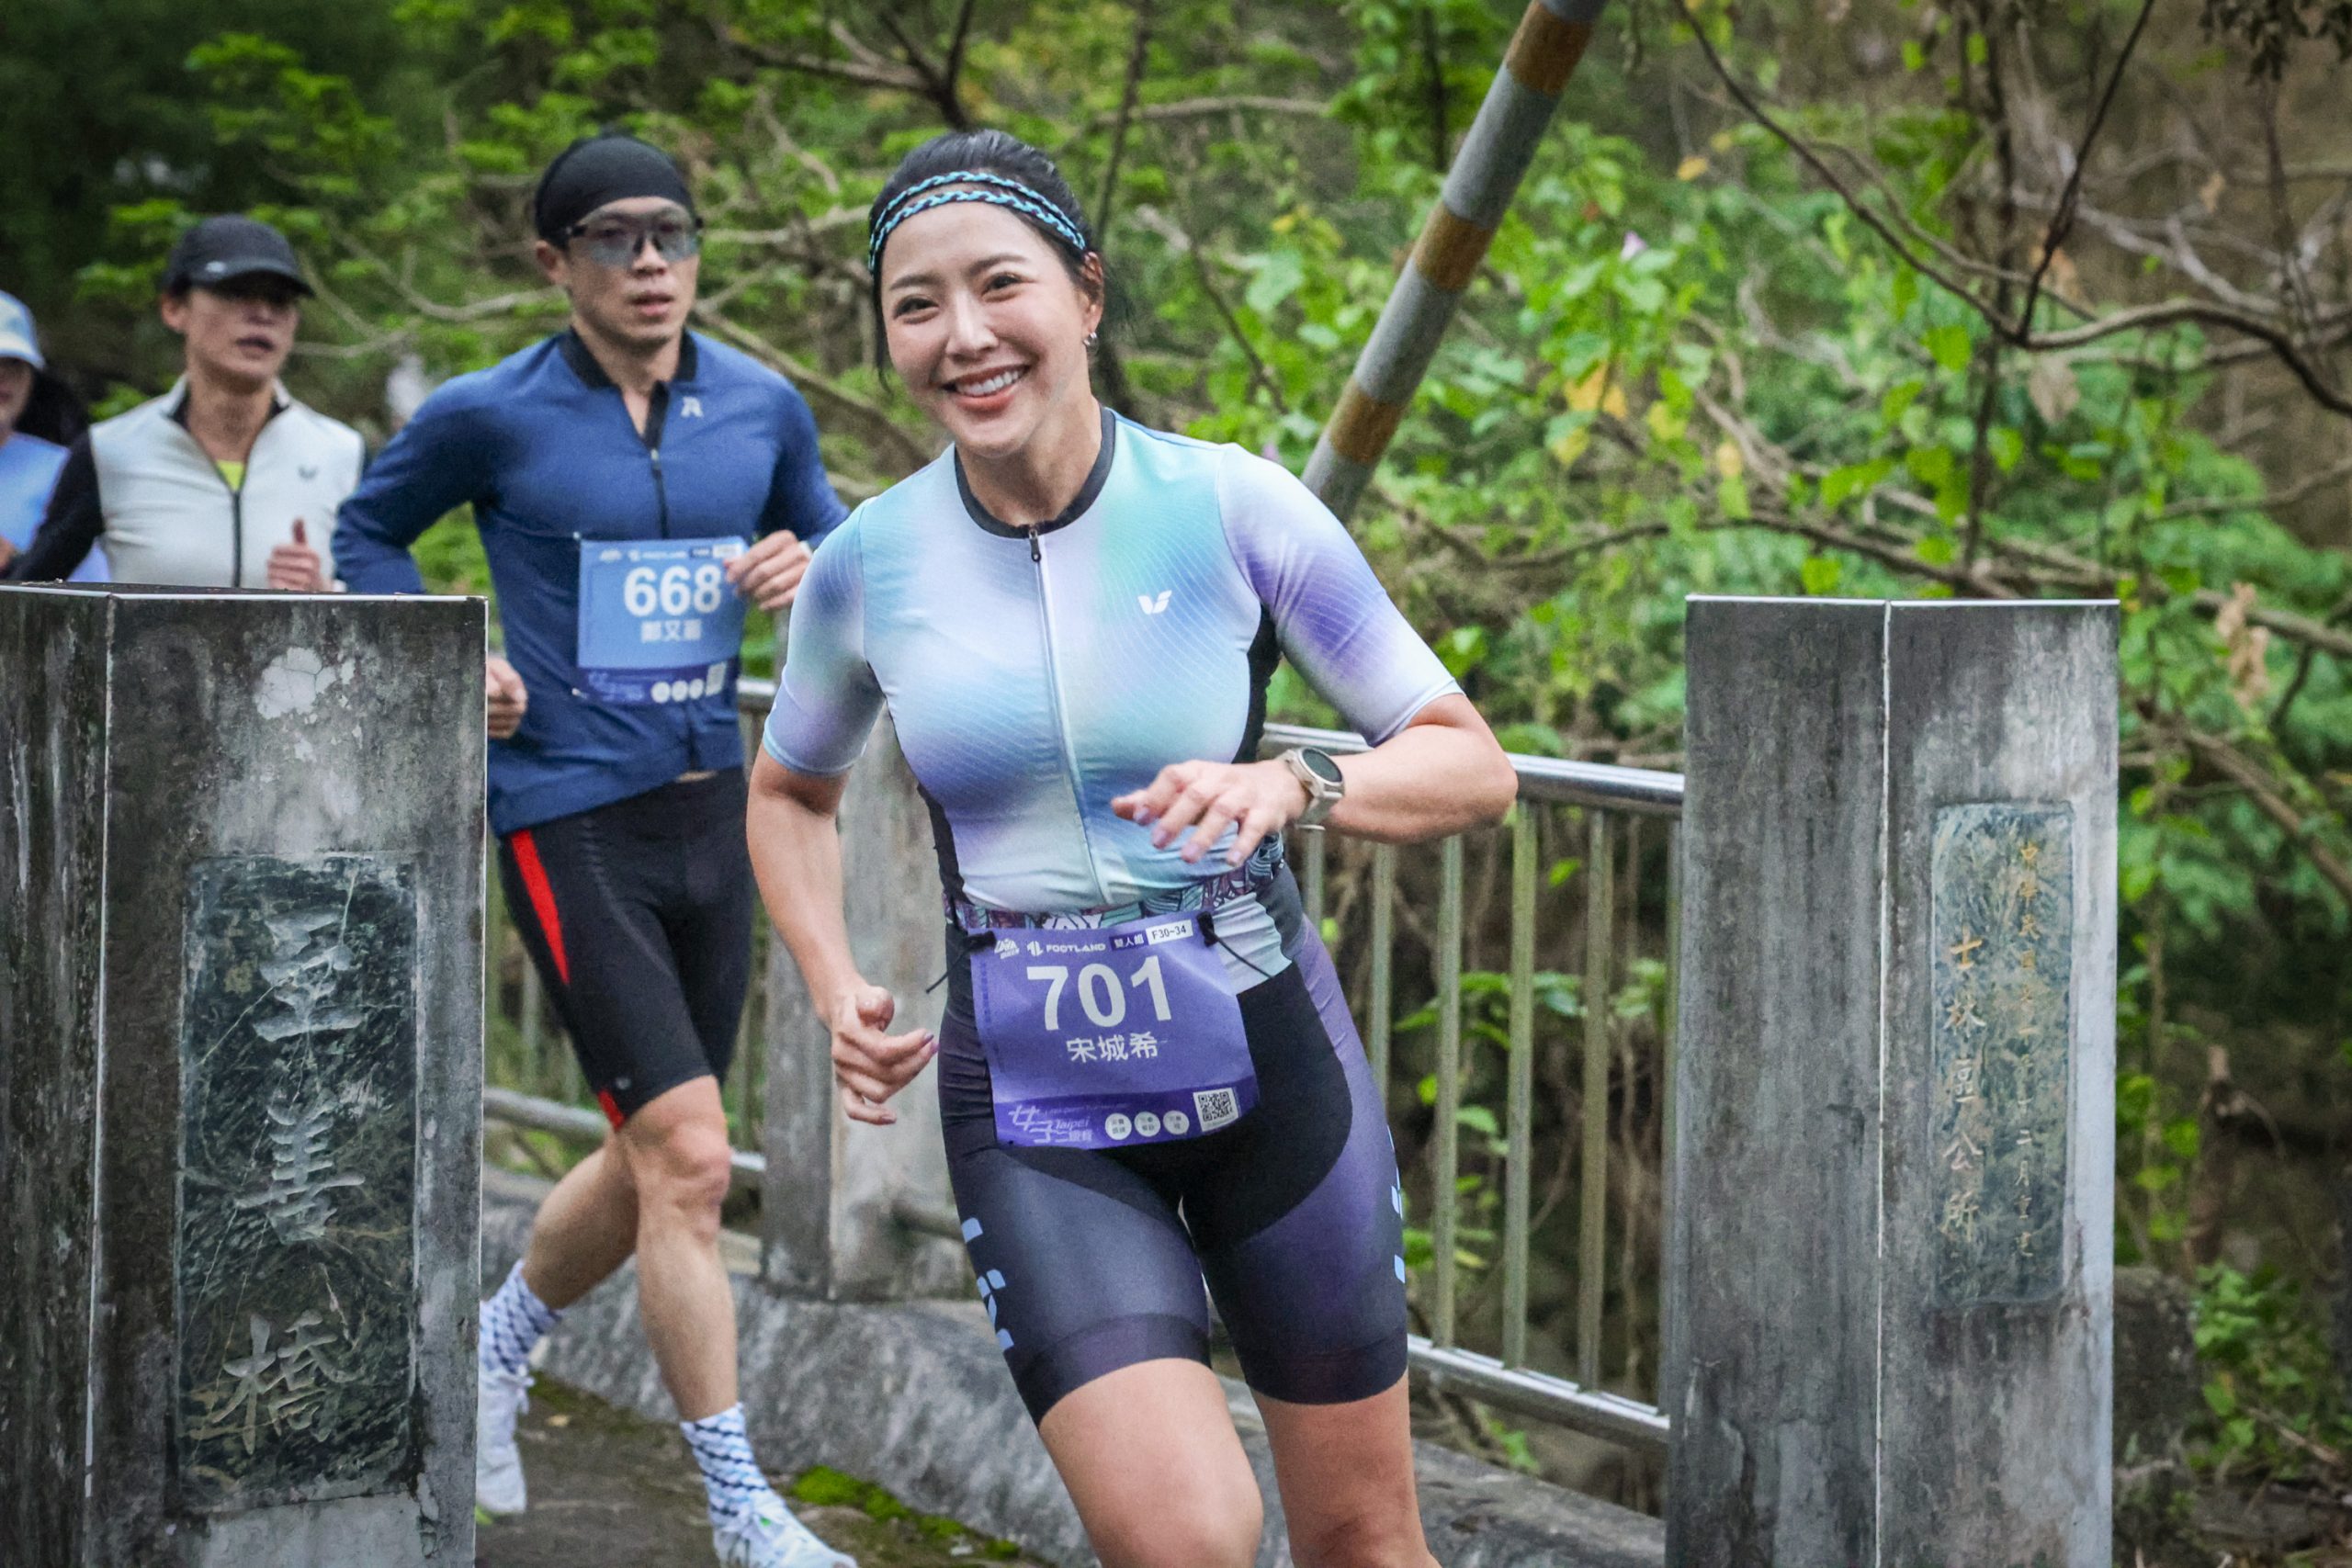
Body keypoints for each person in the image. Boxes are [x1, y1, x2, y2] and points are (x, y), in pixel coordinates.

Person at [746, 130, 1520, 1568]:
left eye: (1001, 284)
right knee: (1183, 1536)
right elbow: (789, 790)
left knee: (1363, 1539)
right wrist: (831, 976)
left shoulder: (1231, 506)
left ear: (1087, 295)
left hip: (1269, 1068)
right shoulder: (868, 563)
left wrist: (1296, 781)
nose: (964, 334)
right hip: (1037, 1106)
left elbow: (1472, 761)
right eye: (917, 305)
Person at [333, 132, 853, 1568]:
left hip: (716, 805)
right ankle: (740, 1505)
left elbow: (849, 553)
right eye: (615, 239)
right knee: (691, 1154)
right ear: (554, 263)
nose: (651, 264)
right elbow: (369, 533)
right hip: (566, 809)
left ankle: (497, 1339)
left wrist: (810, 565)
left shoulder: (761, 405)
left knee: (653, 1146)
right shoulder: (488, 414)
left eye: (672, 235)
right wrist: (460, 651)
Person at [3, 218, 354, 589]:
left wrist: (329, 596)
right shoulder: (110, 451)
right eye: (236, 293)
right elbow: (29, 596)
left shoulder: (341, 453)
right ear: (173, 308)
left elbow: (379, 601)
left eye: (280, 300)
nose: (262, 314)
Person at [0, 291, 102, 581]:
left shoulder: (67, 469)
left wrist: (17, 565)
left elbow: (91, 591)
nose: (2, 375)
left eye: (15, 362)